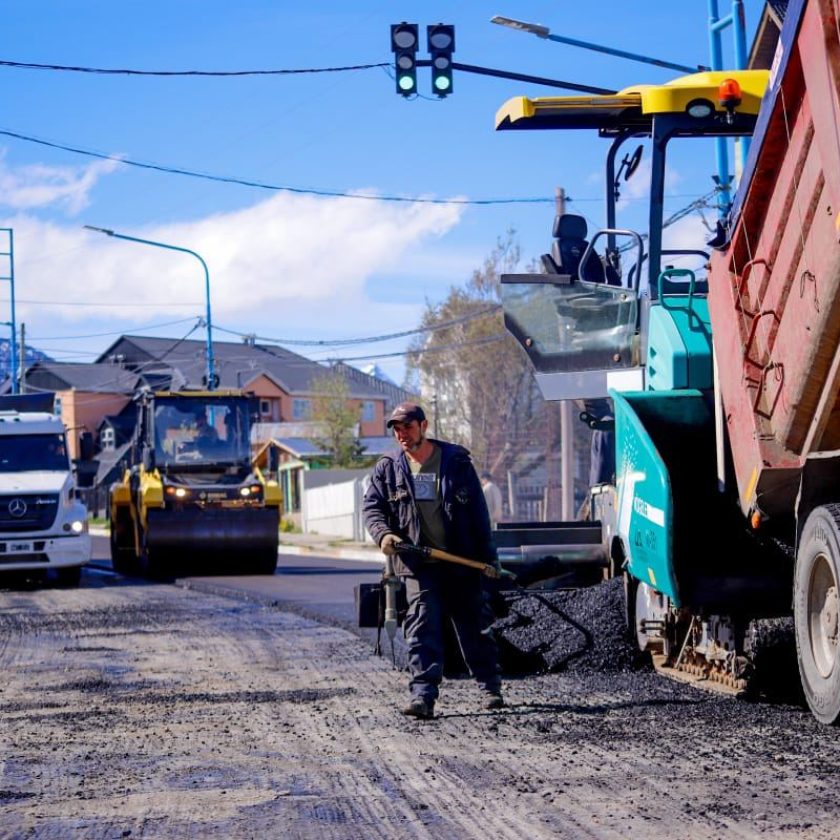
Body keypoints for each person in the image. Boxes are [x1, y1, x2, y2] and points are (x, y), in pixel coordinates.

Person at [363, 402, 503, 720]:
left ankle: (490, 688)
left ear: (424, 426)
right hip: (418, 564)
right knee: (422, 626)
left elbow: (478, 515)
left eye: (407, 427)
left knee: (473, 625)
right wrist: (384, 535)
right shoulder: (388, 468)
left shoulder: (455, 461)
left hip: (460, 560)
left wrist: (488, 559)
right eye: (396, 429)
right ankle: (422, 696)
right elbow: (372, 509)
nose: (401, 434)